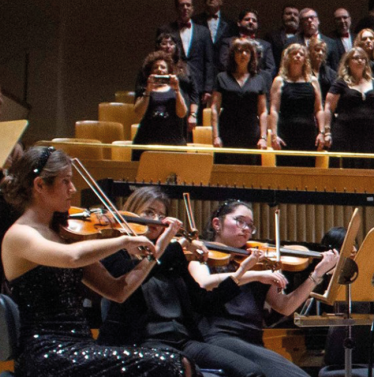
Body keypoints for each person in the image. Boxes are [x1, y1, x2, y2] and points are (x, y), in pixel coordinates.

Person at [1, 147, 189, 376]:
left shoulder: (64, 235)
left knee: (180, 363)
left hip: (82, 347)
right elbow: (72, 258)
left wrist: (159, 249)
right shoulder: (20, 235)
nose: (72, 189)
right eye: (65, 181)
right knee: (170, 364)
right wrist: (122, 241)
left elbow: (118, 290)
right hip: (48, 354)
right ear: (40, 185)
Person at [98, 187, 267, 377]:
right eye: (148, 212)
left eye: (161, 214)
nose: (155, 219)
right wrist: (169, 247)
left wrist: (240, 274)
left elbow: (203, 303)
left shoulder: (173, 259)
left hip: (183, 340)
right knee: (185, 369)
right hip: (144, 341)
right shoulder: (116, 255)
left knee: (252, 372)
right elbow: (139, 275)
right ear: (132, 213)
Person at [188, 200, 338, 377]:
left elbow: (284, 306)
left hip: (253, 340)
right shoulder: (201, 256)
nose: (245, 228)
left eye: (250, 225)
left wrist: (317, 274)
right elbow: (204, 282)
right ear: (217, 224)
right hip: (219, 338)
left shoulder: (258, 262)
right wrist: (255, 275)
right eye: (240, 221)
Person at [324, 47, 374, 169]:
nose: (360, 61)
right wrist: (327, 132)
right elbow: (328, 107)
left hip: (370, 135)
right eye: (356, 58)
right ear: (348, 62)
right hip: (345, 134)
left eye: (363, 58)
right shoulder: (340, 83)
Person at [213, 37, 269, 165]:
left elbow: (263, 111)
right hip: (227, 131)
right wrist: (216, 136)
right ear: (233, 54)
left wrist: (263, 137)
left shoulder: (259, 79)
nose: (243, 54)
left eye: (247, 51)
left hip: (251, 132)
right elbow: (215, 109)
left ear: (252, 55)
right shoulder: (221, 77)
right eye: (239, 51)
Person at [269, 43, 324, 167]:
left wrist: (321, 132)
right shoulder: (279, 81)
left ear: (305, 59)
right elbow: (273, 110)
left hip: (308, 134)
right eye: (294, 53)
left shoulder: (313, 81)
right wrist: (274, 135)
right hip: (286, 133)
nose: (298, 56)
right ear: (287, 57)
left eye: (301, 54)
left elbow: (319, 109)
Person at [132, 51, 189, 160]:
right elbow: (138, 113)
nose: (159, 69)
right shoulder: (144, 90)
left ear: (168, 71)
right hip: (147, 143)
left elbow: (182, 113)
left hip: (172, 143)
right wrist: (148, 90)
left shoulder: (175, 90)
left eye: (163, 67)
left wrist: (176, 89)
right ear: (150, 71)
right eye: (155, 67)